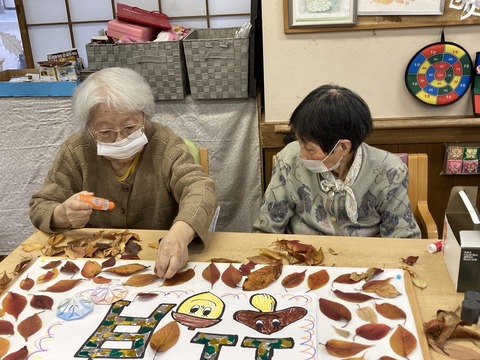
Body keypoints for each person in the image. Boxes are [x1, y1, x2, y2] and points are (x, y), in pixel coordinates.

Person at [29, 67, 217, 278]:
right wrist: (61, 215)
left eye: (129, 128)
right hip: (95, 265)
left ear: (144, 117)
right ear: (89, 128)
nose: (120, 140)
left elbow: (199, 188)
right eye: (106, 132)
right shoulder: (77, 150)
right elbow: (41, 205)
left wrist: (179, 236)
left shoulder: (164, 143)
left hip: (157, 260)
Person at [253, 84, 420, 238]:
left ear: (343, 148)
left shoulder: (388, 171)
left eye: (309, 149)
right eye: (299, 142)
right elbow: (267, 226)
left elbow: (402, 237)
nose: (301, 154)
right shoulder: (289, 160)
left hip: (364, 261)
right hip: (302, 256)